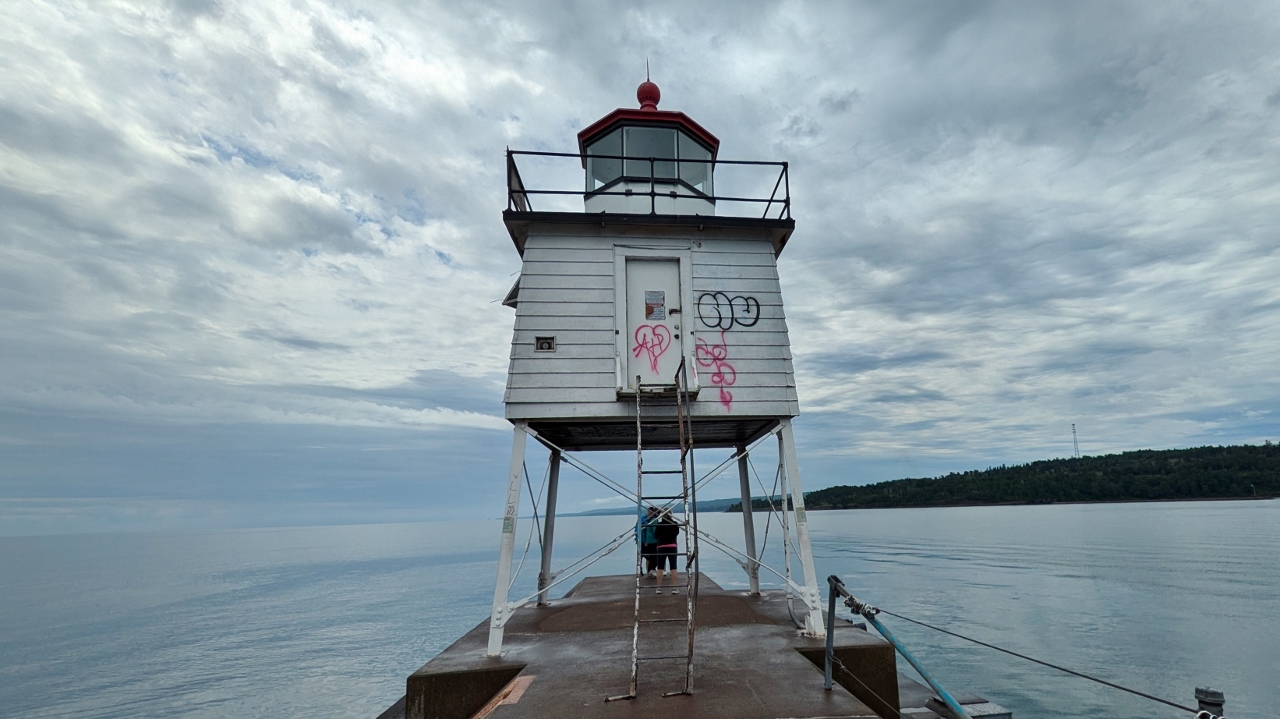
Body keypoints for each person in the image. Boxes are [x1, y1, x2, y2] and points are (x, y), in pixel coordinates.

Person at [653, 510, 680, 594]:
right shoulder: (675, 523)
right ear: (671, 514)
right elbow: (676, 533)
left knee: (660, 567)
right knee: (673, 567)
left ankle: (659, 588)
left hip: (661, 546)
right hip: (672, 546)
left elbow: (656, 535)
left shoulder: (659, 525)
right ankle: (674, 588)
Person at [637, 506, 658, 577]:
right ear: (648, 511)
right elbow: (647, 526)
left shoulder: (646, 518)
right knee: (644, 556)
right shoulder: (644, 518)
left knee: (647, 556)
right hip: (643, 540)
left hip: (644, 540)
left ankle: (647, 571)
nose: (651, 514)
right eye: (651, 512)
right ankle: (643, 570)